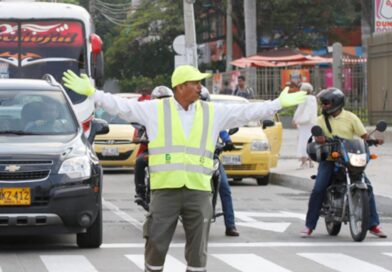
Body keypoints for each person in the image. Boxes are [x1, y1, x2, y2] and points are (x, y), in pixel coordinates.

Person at [62, 65, 306, 272]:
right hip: (164, 190)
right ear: (180, 87)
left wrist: (277, 103)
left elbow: (247, 111)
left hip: (199, 191)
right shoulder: (155, 109)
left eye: (200, 83)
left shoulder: (214, 112)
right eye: (194, 83)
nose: (200, 87)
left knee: (198, 248)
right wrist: (93, 93)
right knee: (156, 243)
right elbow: (120, 106)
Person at [301, 87, 387, 238]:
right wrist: (320, 138)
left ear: (336, 102)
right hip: (330, 159)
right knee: (319, 189)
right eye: (323, 104)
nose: (324, 106)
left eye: (326, 103)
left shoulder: (351, 117)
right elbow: (318, 138)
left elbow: (364, 135)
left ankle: (373, 224)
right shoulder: (320, 120)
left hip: (349, 158)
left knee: (368, 187)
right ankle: (309, 225)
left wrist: (373, 140)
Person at [200, 86, 239, 237]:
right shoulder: (186, 119)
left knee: (224, 187)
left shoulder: (213, 118)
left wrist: (228, 141)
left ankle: (231, 225)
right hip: (192, 162)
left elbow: (222, 131)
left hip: (212, 158)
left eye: (203, 102)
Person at [133, 86, 174, 210]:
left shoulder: (177, 116)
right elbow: (138, 132)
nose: (162, 103)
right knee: (140, 161)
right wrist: (140, 138)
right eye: (159, 100)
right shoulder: (147, 116)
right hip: (151, 151)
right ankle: (141, 192)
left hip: (172, 152)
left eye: (166, 100)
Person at [292, 82, 318, 168]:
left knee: (303, 141)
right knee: (311, 140)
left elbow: (299, 110)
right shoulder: (314, 99)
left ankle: (303, 162)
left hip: (303, 123)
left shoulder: (304, 98)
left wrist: (295, 120)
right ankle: (311, 161)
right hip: (311, 123)